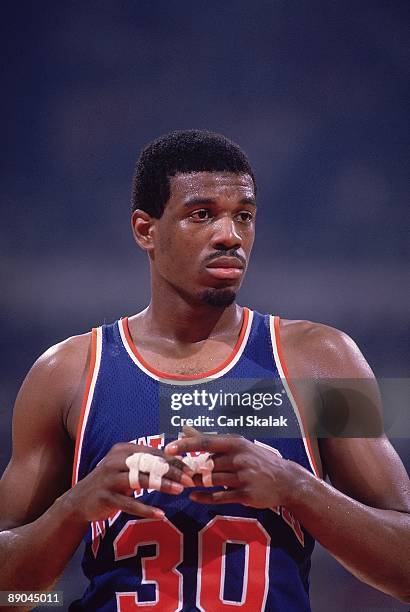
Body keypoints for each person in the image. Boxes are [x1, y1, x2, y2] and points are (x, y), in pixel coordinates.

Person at [0, 130, 409, 612]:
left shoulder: (326, 358)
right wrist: (73, 509)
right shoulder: (63, 373)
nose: (230, 235)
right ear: (144, 230)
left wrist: (297, 488)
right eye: (202, 214)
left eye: (244, 216)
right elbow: (10, 595)